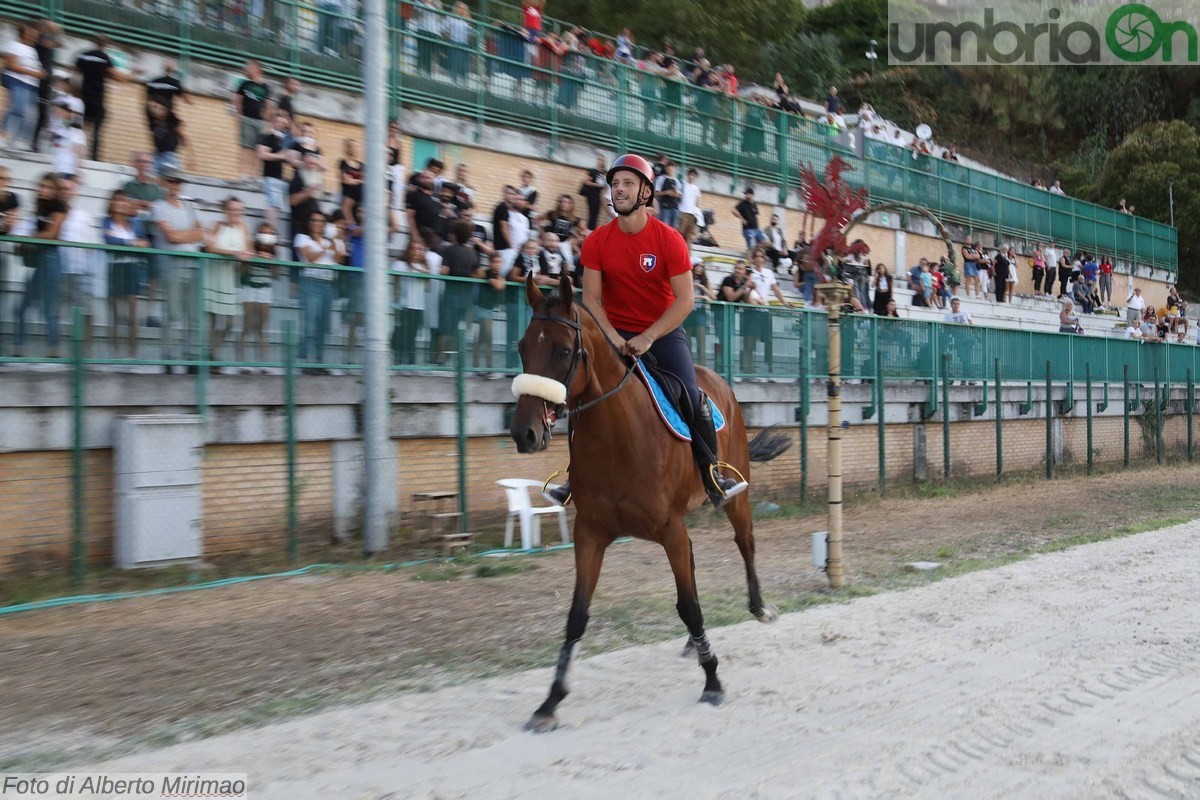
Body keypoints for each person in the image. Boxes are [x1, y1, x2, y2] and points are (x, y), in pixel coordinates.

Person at [544, 154, 749, 509]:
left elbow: (685, 301)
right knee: (579, 396)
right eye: (615, 183)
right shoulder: (595, 241)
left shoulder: (669, 240)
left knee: (689, 395)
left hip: (663, 333)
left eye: (627, 183)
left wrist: (648, 337)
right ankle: (575, 478)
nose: (619, 189)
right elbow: (591, 299)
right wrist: (614, 337)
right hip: (612, 331)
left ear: (645, 192)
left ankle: (712, 473)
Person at [14, 173, 65, 358]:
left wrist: (27, 238)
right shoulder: (40, 208)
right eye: (42, 186)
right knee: (21, 308)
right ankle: (18, 349)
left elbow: (52, 235)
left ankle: (54, 351)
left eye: (49, 187)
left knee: (48, 309)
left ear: (56, 190)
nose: (44, 190)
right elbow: (38, 235)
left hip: (51, 260)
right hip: (40, 260)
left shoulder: (58, 207)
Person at [204, 197, 253, 371]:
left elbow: (248, 251)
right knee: (212, 320)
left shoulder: (244, 228)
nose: (236, 213)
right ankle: (211, 357)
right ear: (225, 210)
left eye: (239, 210)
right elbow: (209, 247)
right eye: (233, 209)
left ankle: (214, 352)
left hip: (231, 277)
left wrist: (246, 255)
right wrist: (233, 253)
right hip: (214, 274)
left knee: (230, 323)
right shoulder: (216, 225)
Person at [102, 189, 149, 358]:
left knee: (132, 313)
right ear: (112, 203)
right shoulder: (107, 221)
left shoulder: (135, 223)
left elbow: (144, 244)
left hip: (132, 268)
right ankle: (113, 352)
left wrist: (127, 242)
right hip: (115, 267)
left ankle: (132, 353)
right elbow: (109, 239)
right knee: (115, 312)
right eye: (117, 200)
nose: (121, 203)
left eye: (124, 201)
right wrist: (131, 243)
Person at [241, 222, 280, 371]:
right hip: (249, 290)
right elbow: (241, 270)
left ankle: (263, 363)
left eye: (270, 234)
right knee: (248, 327)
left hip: (265, 292)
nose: (266, 236)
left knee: (263, 329)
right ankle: (243, 364)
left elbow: (277, 275)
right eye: (264, 233)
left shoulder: (274, 253)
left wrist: (270, 261)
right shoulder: (250, 247)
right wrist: (253, 258)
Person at [3, 22, 47, 150]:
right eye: (31, 34)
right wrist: (34, 73)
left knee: (29, 114)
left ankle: (20, 140)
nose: (34, 37)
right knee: (17, 109)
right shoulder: (15, 45)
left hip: (31, 84)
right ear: (24, 34)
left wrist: (40, 73)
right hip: (18, 81)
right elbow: (11, 65)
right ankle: (3, 136)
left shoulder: (32, 50)